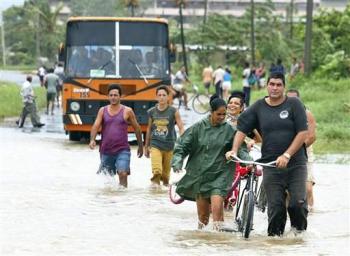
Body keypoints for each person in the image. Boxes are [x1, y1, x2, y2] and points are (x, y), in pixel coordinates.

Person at [226, 72, 309, 236]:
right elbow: (242, 129)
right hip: (270, 165)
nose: (275, 88)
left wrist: (287, 155)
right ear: (267, 86)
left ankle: (298, 239)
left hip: (296, 164)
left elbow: (303, 133)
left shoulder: (294, 104)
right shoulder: (258, 107)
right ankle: (274, 243)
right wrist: (234, 150)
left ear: (284, 87)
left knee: (297, 204)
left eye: (279, 85)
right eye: (272, 84)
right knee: (276, 209)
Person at [171, 95, 251, 231]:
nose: (221, 117)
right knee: (203, 218)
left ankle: (220, 244)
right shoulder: (197, 128)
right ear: (211, 112)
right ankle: (204, 245)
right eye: (218, 114)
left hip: (221, 174)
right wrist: (177, 162)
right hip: (201, 176)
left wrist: (248, 161)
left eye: (224, 114)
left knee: (217, 211)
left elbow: (241, 149)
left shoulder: (230, 130)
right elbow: (181, 146)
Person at [89, 84, 143, 188]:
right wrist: (92, 140)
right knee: (106, 179)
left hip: (122, 150)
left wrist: (140, 146)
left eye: (115, 95)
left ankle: (122, 199)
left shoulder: (127, 111)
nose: (113, 97)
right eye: (111, 95)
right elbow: (96, 125)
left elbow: (137, 128)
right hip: (106, 150)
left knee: (122, 173)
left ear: (120, 96)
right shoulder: (102, 110)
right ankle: (110, 201)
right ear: (108, 96)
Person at [144, 86, 185, 186]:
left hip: (170, 146)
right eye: (159, 95)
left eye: (164, 95)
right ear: (156, 97)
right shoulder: (151, 112)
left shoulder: (173, 111)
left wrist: (183, 141)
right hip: (155, 145)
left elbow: (180, 127)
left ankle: (163, 195)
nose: (161, 97)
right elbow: (149, 129)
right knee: (157, 171)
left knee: (166, 178)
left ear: (168, 97)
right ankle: (154, 190)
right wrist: (146, 146)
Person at [286, 89, 316, 211]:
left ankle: (311, 212)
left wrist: (297, 150)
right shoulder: (280, 113)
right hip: (285, 152)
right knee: (287, 190)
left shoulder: (306, 113)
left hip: (305, 151)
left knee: (307, 188)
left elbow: (312, 136)